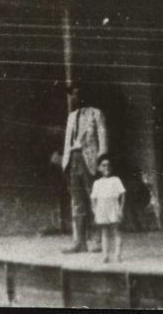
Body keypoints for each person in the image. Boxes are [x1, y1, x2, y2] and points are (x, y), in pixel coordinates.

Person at [61, 86, 108, 253]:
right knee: (76, 202)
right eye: (72, 94)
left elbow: (102, 138)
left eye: (76, 93)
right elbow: (67, 142)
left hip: (89, 160)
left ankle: (98, 239)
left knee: (94, 199)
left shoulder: (96, 113)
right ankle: (79, 241)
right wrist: (65, 162)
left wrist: (102, 160)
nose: (73, 97)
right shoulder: (71, 117)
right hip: (72, 161)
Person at [90, 154, 126, 263]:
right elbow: (93, 197)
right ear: (99, 168)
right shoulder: (97, 183)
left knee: (116, 231)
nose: (106, 168)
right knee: (104, 232)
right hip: (102, 207)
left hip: (113, 206)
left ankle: (118, 254)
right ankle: (105, 255)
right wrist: (95, 209)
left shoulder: (116, 180)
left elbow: (123, 194)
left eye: (108, 165)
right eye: (103, 165)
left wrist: (121, 208)